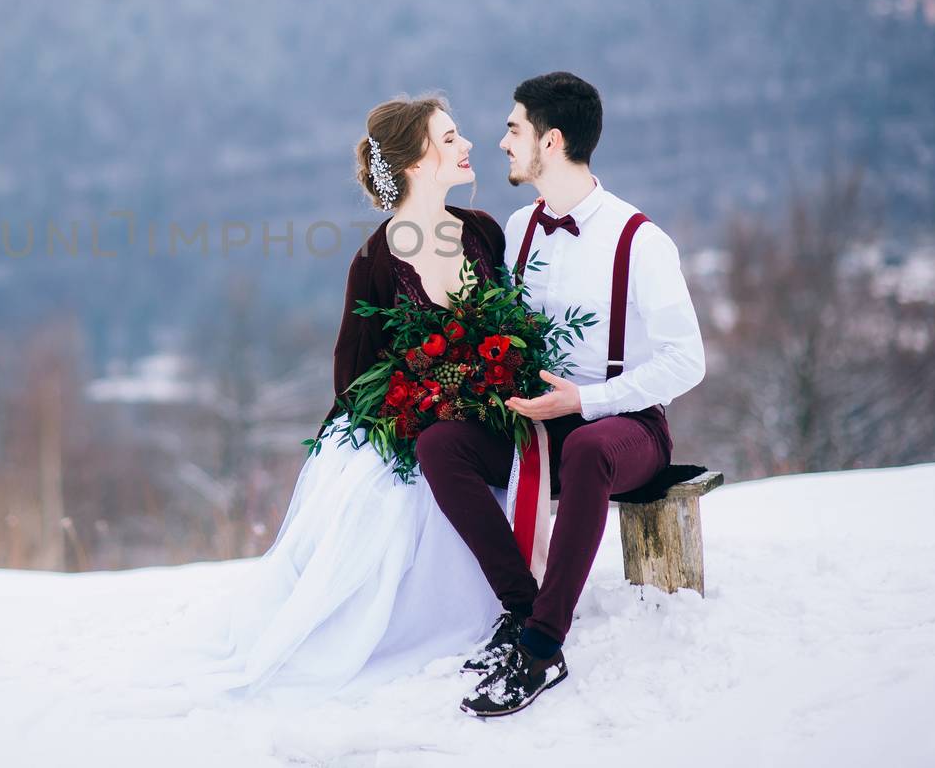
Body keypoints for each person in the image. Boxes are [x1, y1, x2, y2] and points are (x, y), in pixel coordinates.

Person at [124, 92, 514, 704]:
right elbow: (354, 372)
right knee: (384, 514)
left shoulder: (485, 232)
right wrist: (411, 410)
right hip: (411, 430)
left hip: (490, 424)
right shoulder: (376, 260)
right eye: (450, 137)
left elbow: (514, 327)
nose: (467, 145)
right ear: (415, 162)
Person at [415, 71, 707, 717]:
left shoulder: (640, 240)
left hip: (625, 430)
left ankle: (543, 648)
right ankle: (523, 609)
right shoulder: (517, 229)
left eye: (513, 129)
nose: (501, 142)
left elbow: (689, 361)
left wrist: (587, 401)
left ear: (550, 141)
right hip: (536, 423)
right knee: (439, 444)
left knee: (587, 450)